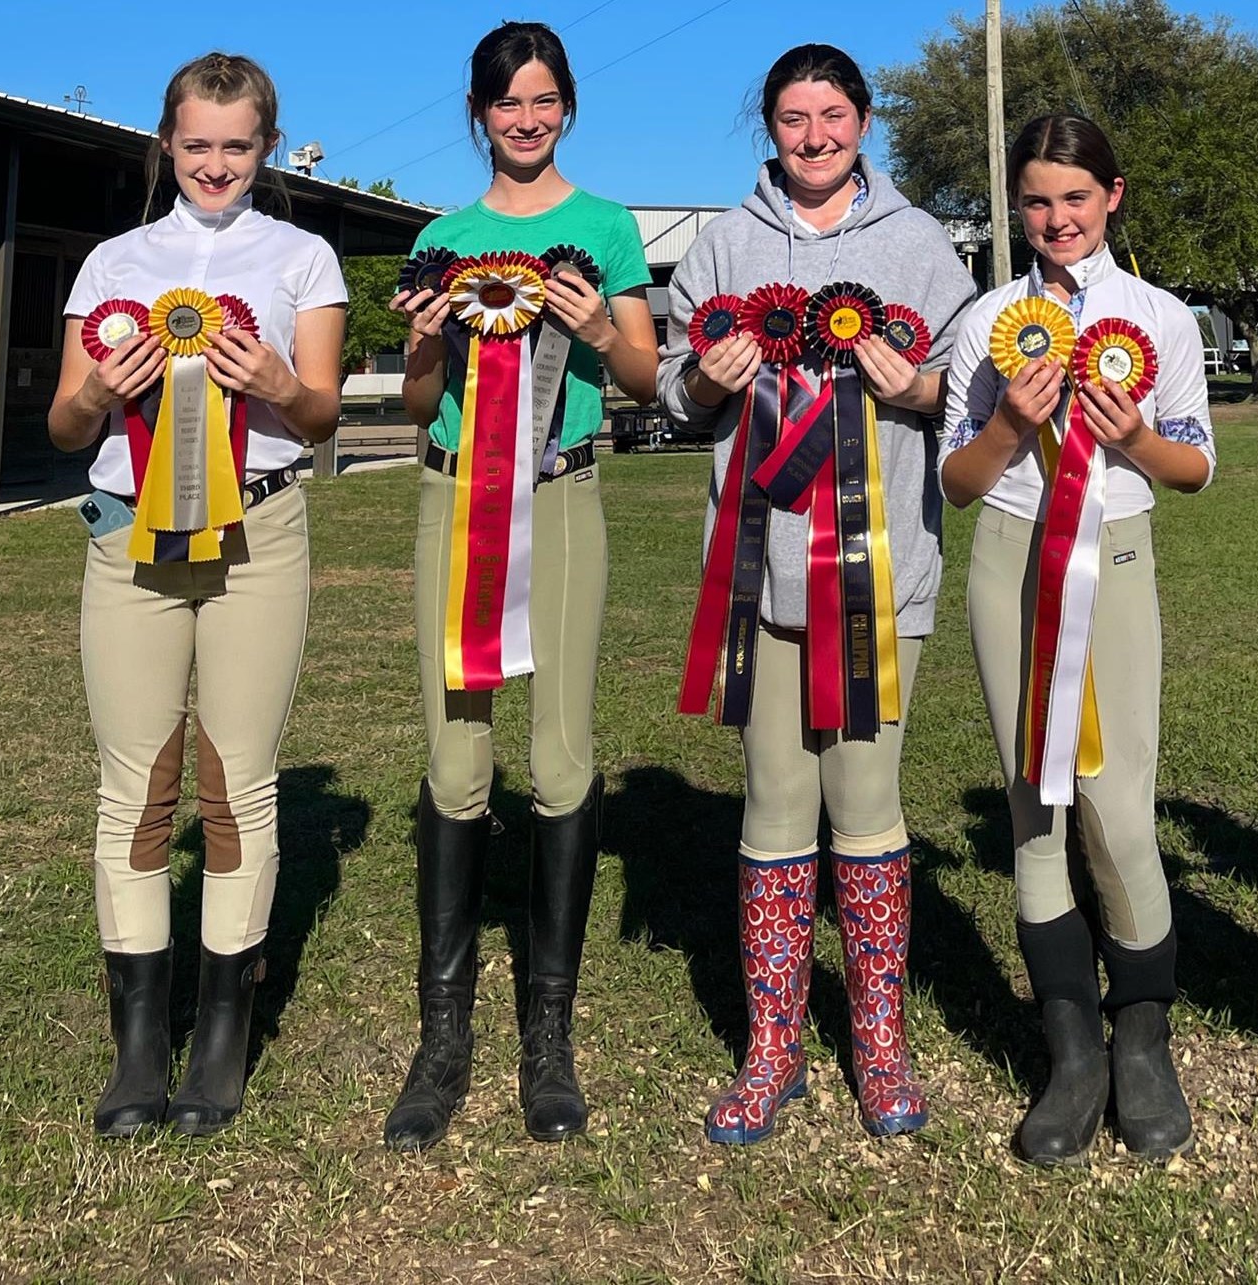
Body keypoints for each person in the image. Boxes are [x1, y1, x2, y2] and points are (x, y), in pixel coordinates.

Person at [659, 43, 976, 1144]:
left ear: (864, 122)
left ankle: (879, 1044)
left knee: (869, 805)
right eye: (794, 119)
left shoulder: (920, 243)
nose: (814, 137)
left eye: (832, 116)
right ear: (771, 129)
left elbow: (969, 392)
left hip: (881, 577)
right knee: (773, 807)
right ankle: (774, 1047)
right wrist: (703, 379)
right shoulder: (723, 243)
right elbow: (676, 393)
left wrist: (919, 386)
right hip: (758, 578)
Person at [48, 52, 347, 1137]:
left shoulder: (303, 257)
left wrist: (277, 384)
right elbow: (64, 429)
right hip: (128, 538)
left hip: (257, 533)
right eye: (197, 144)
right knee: (134, 787)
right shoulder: (111, 263)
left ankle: (220, 1037)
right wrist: (95, 389)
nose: (216, 164)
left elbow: (319, 414)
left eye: (237, 145)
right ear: (166, 144)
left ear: (267, 147)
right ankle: (139, 1046)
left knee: (236, 784)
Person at [382, 20, 658, 1150]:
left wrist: (596, 326)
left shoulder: (609, 227)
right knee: (457, 760)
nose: (527, 119)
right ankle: (442, 1036)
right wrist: (424, 348)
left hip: (564, 494)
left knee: (560, 757)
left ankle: (549, 1033)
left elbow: (645, 376)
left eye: (544, 100)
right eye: (507, 103)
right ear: (479, 114)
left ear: (567, 107)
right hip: (454, 498)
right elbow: (417, 405)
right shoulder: (441, 238)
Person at [941, 114, 1213, 1165]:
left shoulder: (1161, 318)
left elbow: (1195, 468)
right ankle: (1072, 1054)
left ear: (1113, 196)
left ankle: (1142, 1040)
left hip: (1117, 556)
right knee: (1035, 810)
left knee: (1120, 810)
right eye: (1037, 201)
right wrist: (1010, 425)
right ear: (1017, 206)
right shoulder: (987, 320)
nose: (1057, 219)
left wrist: (1132, 436)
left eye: (1076, 198)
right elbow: (957, 482)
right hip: (1009, 559)